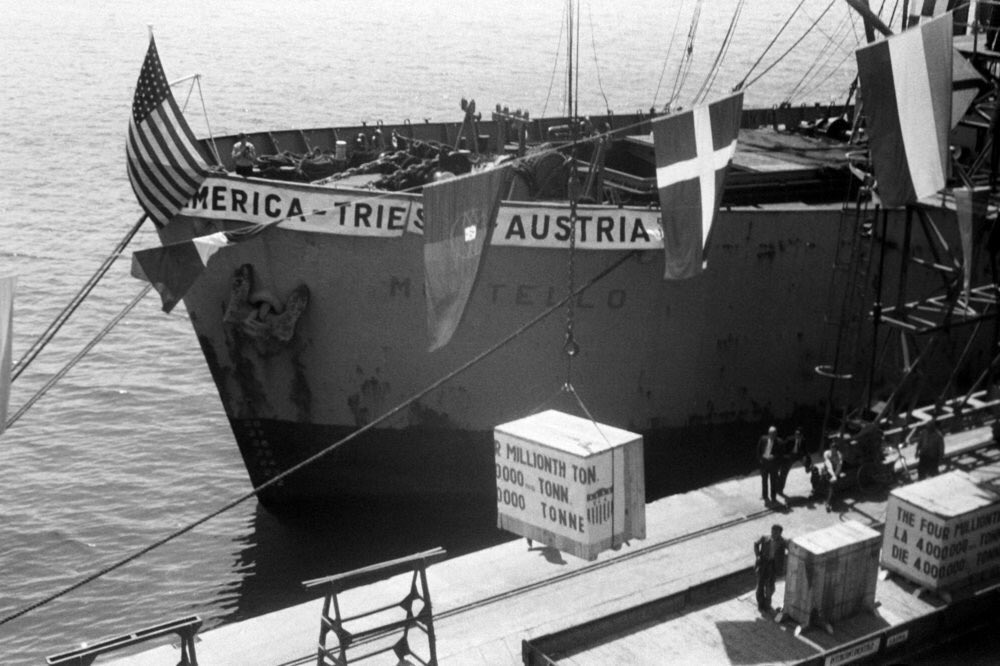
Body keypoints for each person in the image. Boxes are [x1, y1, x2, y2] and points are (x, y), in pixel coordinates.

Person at [754, 524, 787, 613]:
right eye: (772, 532)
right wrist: (758, 556)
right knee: (760, 585)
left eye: (776, 533)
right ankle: (760, 604)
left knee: (770, 586)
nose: (773, 534)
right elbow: (756, 544)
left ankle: (767, 604)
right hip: (763, 564)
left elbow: (791, 550)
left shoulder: (783, 542)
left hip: (773, 566)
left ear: (780, 533)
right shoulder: (765, 538)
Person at [776, 427, 809, 497]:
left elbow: (805, 451)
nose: (796, 436)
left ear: (801, 435)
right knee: (784, 473)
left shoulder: (803, 440)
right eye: (796, 434)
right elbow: (783, 448)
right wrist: (785, 455)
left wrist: (806, 459)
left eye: (798, 434)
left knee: (810, 463)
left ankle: (808, 469)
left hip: (798, 455)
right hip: (789, 456)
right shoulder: (789, 439)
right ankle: (779, 489)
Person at [757, 426, 782, 506]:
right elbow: (758, 449)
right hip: (764, 463)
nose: (772, 436)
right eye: (771, 434)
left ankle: (773, 497)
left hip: (773, 465)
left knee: (773, 482)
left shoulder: (779, 442)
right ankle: (765, 496)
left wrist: (774, 456)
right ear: (768, 434)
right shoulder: (763, 439)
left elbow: (781, 454)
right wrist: (760, 459)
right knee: (764, 480)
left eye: (774, 434)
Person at [822, 440, 844, 512]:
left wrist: (834, 476)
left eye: (834, 450)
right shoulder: (827, 453)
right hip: (828, 470)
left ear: (836, 450)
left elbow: (839, 467)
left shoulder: (839, 456)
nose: (833, 451)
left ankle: (828, 502)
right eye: (832, 449)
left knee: (831, 484)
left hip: (835, 472)